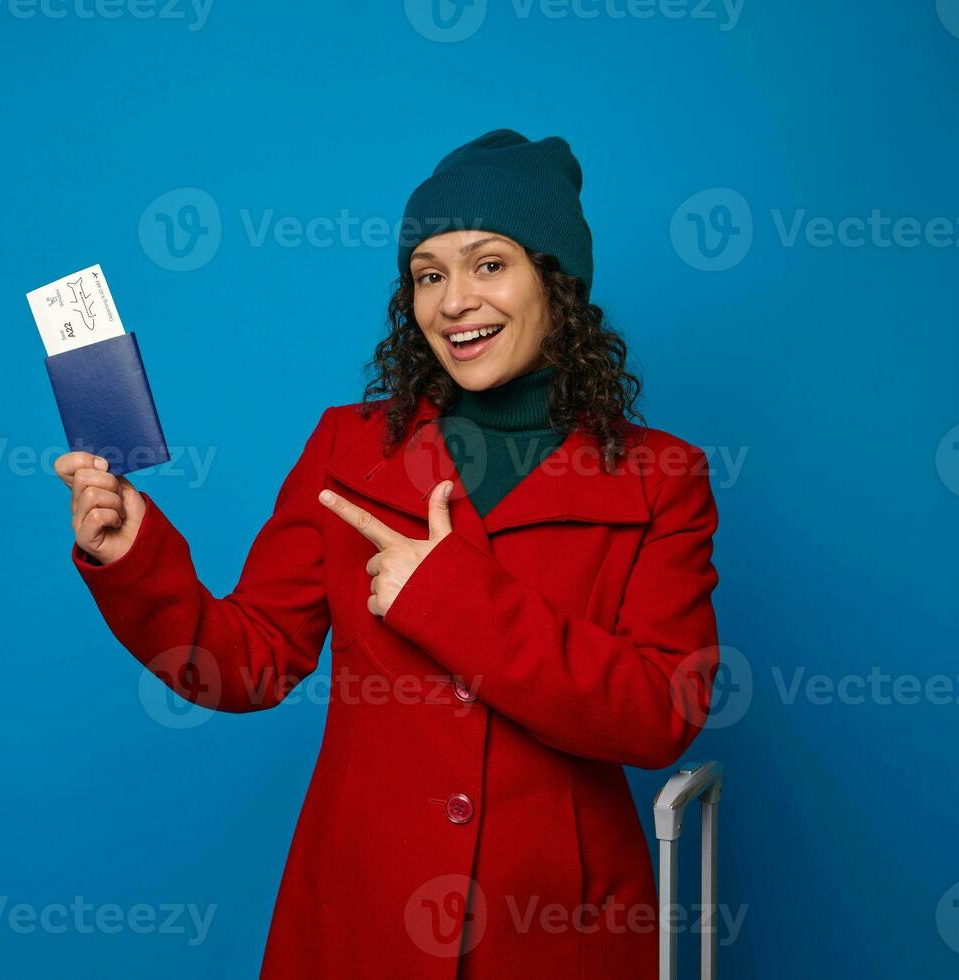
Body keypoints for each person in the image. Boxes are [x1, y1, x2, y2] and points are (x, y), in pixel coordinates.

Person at [55, 128, 722, 979]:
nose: (453, 302)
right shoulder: (347, 446)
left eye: (489, 264)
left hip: (555, 934)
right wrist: (135, 559)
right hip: (364, 923)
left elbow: (658, 712)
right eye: (428, 275)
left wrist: (448, 596)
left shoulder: (661, 477)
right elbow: (247, 661)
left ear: (556, 281)